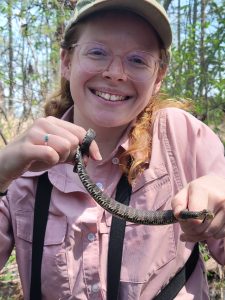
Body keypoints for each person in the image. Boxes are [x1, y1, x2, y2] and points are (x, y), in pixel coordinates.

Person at [0, 0, 225, 299]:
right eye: (97, 52)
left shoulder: (183, 137)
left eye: (137, 60)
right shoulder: (26, 164)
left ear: (158, 76)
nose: (116, 73)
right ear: (66, 61)